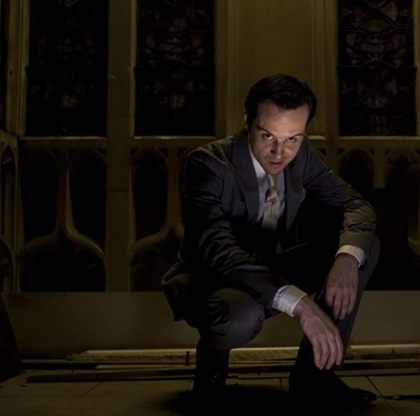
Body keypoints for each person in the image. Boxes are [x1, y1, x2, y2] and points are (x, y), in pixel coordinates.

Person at [161, 74, 380, 407]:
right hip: (210, 278)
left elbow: (356, 204)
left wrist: (347, 260)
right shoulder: (207, 163)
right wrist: (303, 305)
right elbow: (218, 250)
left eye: (293, 138)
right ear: (247, 121)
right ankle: (210, 374)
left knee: (363, 246)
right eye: (268, 136)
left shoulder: (301, 157)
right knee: (241, 316)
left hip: (266, 269)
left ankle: (314, 378)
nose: (280, 152)